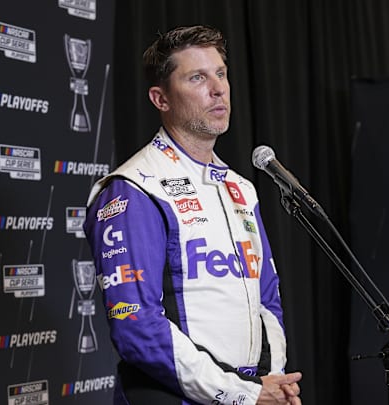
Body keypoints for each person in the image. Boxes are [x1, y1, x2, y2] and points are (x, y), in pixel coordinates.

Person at [84, 25, 302, 405]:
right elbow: (137, 327)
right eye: (198, 77)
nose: (218, 88)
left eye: (221, 73)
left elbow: (268, 301)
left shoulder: (241, 188)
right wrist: (244, 393)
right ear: (161, 99)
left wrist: (272, 381)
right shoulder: (133, 188)